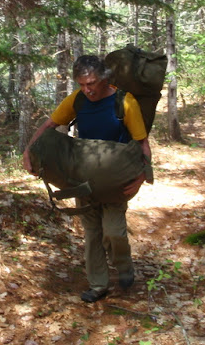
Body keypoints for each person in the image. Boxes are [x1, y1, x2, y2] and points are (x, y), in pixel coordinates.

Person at [23, 55, 152, 303]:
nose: (87, 89)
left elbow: (142, 142)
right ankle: (98, 285)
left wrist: (142, 176)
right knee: (92, 233)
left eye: (91, 83)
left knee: (114, 232)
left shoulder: (124, 102)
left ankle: (124, 266)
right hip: (83, 179)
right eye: (81, 84)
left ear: (104, 78)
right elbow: (49, 125)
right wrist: (29, 152)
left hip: (115, 181)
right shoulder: (77, 100)